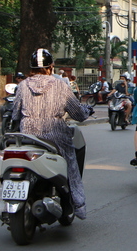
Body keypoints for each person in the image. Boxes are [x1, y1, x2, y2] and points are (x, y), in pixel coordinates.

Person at [12, 48, 92, 220]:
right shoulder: (61, 85)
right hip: (56, 136)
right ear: (50, 68)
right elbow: (78, 114)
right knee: (71, 164)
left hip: (27, 137)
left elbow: (15, 114)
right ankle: (77, 204)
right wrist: (87, 111)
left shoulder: (22, 86)